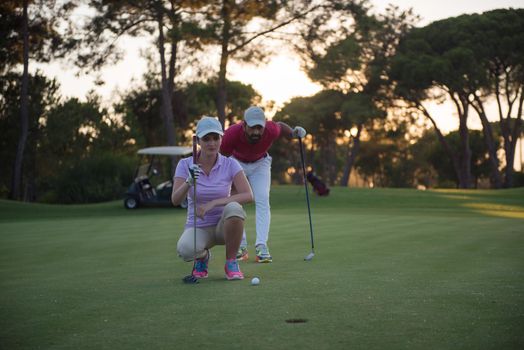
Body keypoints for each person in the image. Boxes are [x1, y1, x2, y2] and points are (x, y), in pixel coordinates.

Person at [220, 106, 306, 263]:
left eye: (259, 128)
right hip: (236, 162)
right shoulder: (231, 133)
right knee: (234, 200)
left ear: (264, 125)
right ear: (244, 125)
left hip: (261, 163)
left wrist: (294, 133)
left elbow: (280, 126)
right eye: (252, 128)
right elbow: (222, 156)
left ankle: (261, 246)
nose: (256, 132)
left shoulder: (271, 129)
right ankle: (241, 245)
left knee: (262, 200)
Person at [171, 116, 253, 280]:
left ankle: (231, 263)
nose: (212, 143)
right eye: (206, 139)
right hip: (199, 227)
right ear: (198, 140)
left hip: (224, 227)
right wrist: (188, 181)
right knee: (185, 250)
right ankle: (203, 258)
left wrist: (214, 203)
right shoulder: (185, 164)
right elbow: (175, 200)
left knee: (235, 208)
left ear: (221, 139)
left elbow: (248, 195)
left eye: (216, 138)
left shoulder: (230, 164)